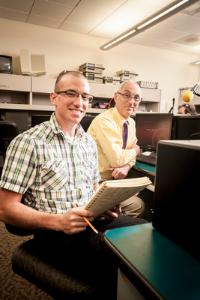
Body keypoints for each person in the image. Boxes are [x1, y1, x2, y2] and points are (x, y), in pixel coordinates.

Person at [0, 71, 146, 300]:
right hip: (55, 232)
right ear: (54, 97)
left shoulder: (87, 142)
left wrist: (106, 203)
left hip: (91, 220)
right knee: (122, 260)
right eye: (71, 93)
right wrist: (58, 221)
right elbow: (5, 209)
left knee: (146, 233)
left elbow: (93, 186)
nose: (79, 102)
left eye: (85, 97)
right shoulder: (28, 143)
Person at [87, 80, 145, 218]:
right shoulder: (104, 121)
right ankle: (105, 234)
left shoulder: (131, 123)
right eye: (126, 95)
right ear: (116, 97)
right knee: (138, 204)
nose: (132, 102)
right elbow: (117, 159)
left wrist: (126, 167)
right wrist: (136, 151)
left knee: (144, 195)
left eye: (136, 98)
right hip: (95, 183)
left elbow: (129, 155)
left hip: (113, 181)